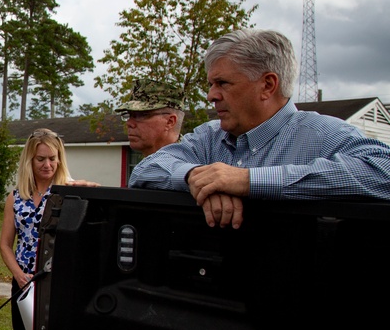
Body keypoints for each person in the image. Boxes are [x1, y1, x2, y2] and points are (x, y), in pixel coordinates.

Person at [129, 29, 390, 228]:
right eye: (210, 84)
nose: (211, 95)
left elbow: (383, 172)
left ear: (267, 85)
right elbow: (144, 170)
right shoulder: (209, 137)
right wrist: (197, 178)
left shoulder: (324, 135)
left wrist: (247, 181)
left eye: (222, 83)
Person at [0, 129, 96, 330]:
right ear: (29, 161)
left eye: (53, 158)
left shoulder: (69, 194)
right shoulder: (16, 197)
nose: (47, 164)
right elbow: (5, 244)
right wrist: (18, 275)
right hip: (24, 283)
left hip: (57, 283)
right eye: (40, 159)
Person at [115, 78, 185, 156]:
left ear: (170, 122)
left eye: (141, 115)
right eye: (129, 115)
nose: (129, 123)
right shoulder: (152, 164)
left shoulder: (190, 164)